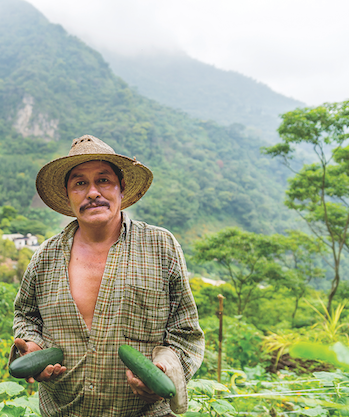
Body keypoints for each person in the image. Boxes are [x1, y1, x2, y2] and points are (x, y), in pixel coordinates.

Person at [11, 135, 204, 416]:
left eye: (103, 180)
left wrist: (166, 374)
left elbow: (185, 332)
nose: (92, 193)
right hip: (63, 410)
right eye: (80, 183)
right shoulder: (45, 256)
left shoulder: (161, 247)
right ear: (68, 194)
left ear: (121, 188)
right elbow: (26, 315)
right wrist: (32, 344)